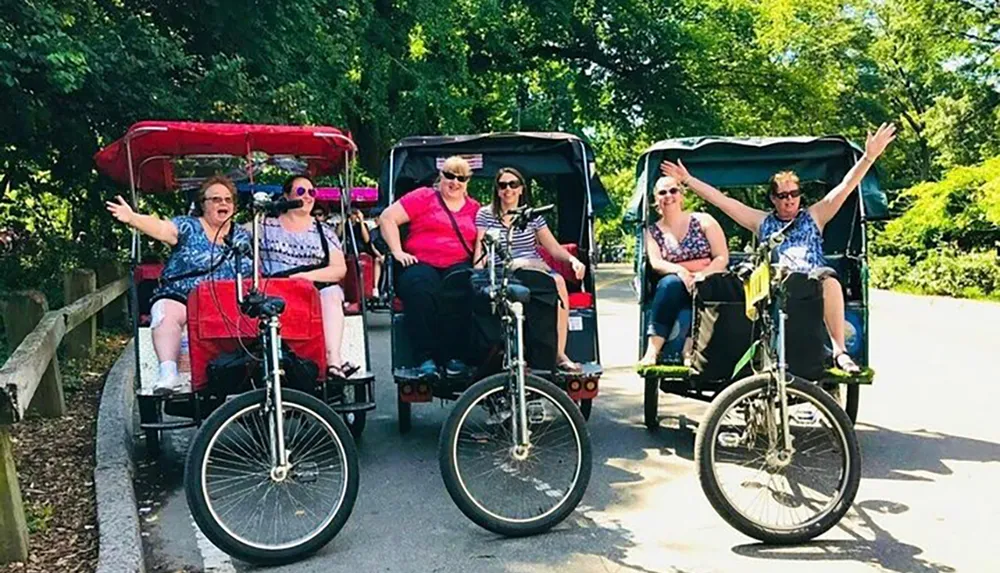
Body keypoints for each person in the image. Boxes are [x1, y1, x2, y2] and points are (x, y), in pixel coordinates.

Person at [660, 123, 897, 374]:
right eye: (782, 195)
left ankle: (840, 351)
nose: (789, 199)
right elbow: (723, 202)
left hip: (811, 283)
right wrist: (687, 180)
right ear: (773, 198)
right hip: (775, 286)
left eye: (793, 193)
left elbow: (846, 186)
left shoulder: (816, 215)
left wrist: (870, 157)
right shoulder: (762, 221)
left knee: (830, 280)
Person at [106, 175, 251, 394]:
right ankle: (168, 373)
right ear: (203, 204)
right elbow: (163, 229)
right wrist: (133, 218)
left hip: (230, 301)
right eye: (216, 199)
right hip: (183, 298)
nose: (223, 203)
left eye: (228, 200)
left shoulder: (243, 235)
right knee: (165, 312)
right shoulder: (188, 226)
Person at [472, 167, 587, 372]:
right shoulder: (485, 214)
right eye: (503, 185)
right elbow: (481, 249)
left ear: (521, 189)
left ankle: (559, 353)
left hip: (532, 268)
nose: (508, 189)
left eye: (513, 184)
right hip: (501, 271)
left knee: (558, 281)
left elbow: (553, 248)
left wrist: (573, 260)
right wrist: (478, 272)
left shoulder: (532, 216)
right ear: (497, 191)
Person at [379, 156, 480, 378]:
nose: (454, 182)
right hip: (421, 261)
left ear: (467, 182)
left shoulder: (475, 208)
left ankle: (456, 357)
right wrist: (397, 251)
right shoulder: (424, 197)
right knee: (420, 289)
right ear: (440, 176)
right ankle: (425, 358)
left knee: (465, 288)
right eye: (449, 176)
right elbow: (387, 218)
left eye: (461, 178)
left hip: (459, 264)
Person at [257, 175, 357, 379]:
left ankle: (333, 360)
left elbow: (339, 269)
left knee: (332, 293)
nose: (308, 197)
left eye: (312, 192)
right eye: (301, 192)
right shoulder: (264, 226)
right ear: (287, 196)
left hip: (313, 288)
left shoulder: (324, 231)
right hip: (275, 287)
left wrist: (304, 277)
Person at [638, 176, 729, 367]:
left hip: (707, 280)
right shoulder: (652, 232)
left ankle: (690, 349)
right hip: (674, 285)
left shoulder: (703, 221)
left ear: (681, 195)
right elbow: (656, 263)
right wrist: (682, 269)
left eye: (673, 191)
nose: (668, 196)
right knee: (670, 283)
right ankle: (652, 350)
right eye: (662, 192)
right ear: (656, 199)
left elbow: (721, 257)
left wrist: (702, 274)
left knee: (707, 286)